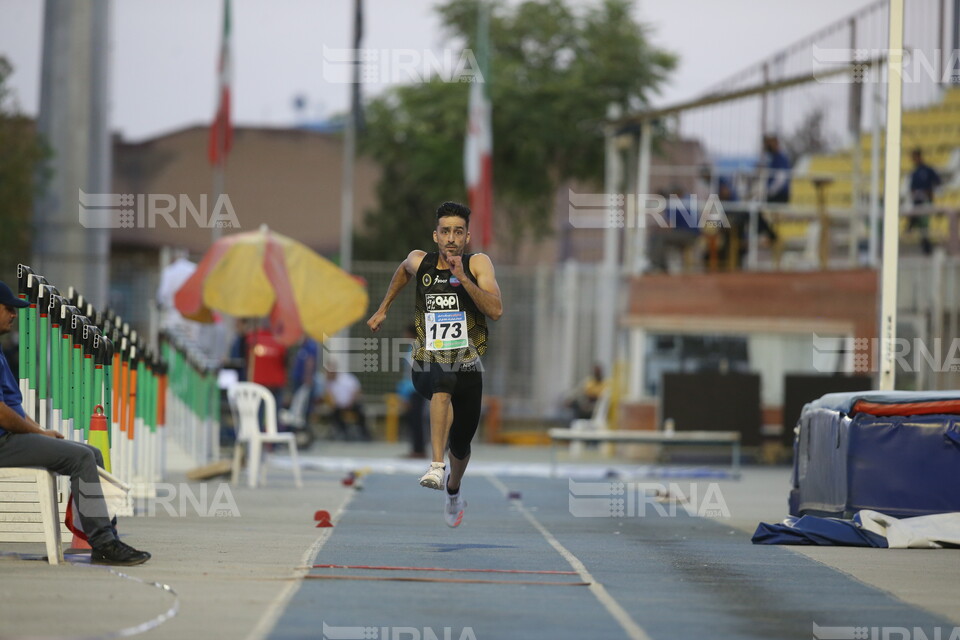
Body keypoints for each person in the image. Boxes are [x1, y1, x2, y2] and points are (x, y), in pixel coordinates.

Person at [367, 201, 503, 528]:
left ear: (467, 236)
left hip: (468, 365)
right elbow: (403, 269)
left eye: (458, 232)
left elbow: (496, 310)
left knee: (463, 443)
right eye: (445, 232)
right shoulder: (421, 261)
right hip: (427, 360)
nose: (451, 238)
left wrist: (464, 280)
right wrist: (383, 308)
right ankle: (436, 466)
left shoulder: (478, 264)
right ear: (436, 235)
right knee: (442, 382)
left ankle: (454, 487)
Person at [0, 281, 150, 566]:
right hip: (3, 441)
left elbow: (12, 407)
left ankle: (107, 535)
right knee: (81, 457)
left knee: (91, 453)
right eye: (8, 308)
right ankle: (104, 543)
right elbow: (2, 414)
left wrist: (42, 432)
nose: (14, 314)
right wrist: (36, 432)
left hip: (9, 437)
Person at [397, 324, 427, 459]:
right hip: (411, 389)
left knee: (417, 420)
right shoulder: (412, 348)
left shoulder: (419, 349)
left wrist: (407, 392)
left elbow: (413, 373)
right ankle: (416, 448)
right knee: (412, 420)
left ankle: (419, 450)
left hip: (416, 390)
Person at [323, 360, 371, 441]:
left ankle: (364, 434)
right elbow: (329, 397)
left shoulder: (346, 378)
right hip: (338, 407)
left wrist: (351, 402)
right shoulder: (328, 382)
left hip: (351, 404)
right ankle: (344, 433)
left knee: (361, 412)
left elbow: (357, 391)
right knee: (334, 414)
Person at [908, 148, 942, 255]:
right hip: (917, 202)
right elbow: (912, 188)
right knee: (920, 226)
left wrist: (929, 192)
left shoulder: (927, 170)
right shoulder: (914, 172)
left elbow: (937, 182)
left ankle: (927, 248)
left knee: (923, 225)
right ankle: (925, 247)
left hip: (926, 202)